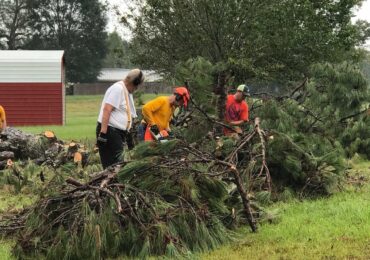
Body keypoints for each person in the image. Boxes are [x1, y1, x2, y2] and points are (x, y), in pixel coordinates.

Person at [96, 68, 145, 169]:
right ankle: (110, 184)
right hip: (110, 131)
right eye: (137, 86)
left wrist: (128, 135)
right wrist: (103, 134)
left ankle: (113, 184)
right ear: (134, 82)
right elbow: (107, 109)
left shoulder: (125, 91)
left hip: (117, 132)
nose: (137, 89)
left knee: (118, 163)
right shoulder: (118, 89)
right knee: (114, 165)